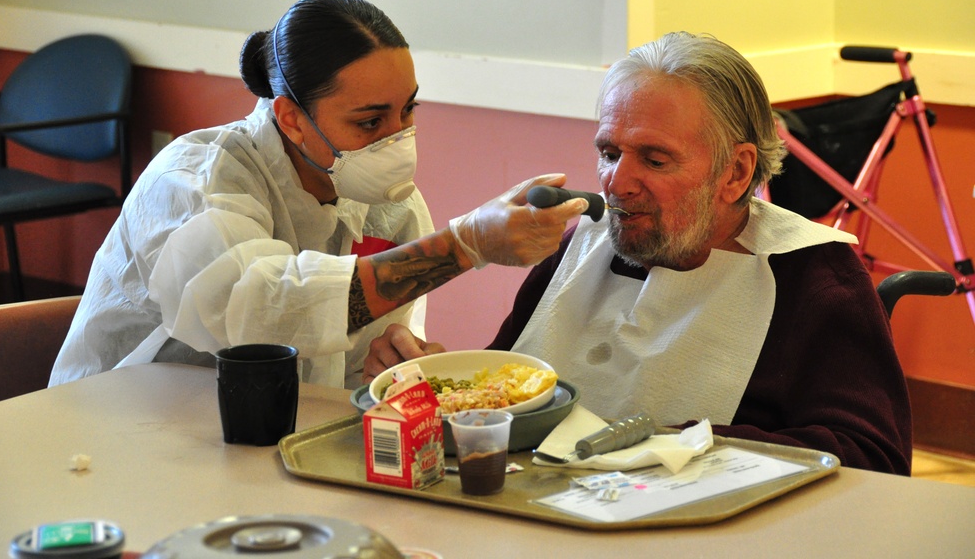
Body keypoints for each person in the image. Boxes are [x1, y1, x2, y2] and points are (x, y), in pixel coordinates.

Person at [366, 32, 913, 475]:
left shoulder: (812, 278)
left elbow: (874, 462)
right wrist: (440, 388)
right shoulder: (577, 245)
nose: (616, 182)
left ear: (737, 172)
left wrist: (670, 445)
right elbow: (511, 388)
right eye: (609, 152)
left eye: (654, 159)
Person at [49, 0, 585, 389]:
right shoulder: (194, 181)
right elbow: (258, 311)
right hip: (120, 426)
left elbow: (348, 355)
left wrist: (385, 366)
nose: (398, 141)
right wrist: (463, 246)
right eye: (371, 122)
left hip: (270, 442)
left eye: (408, 111)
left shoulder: (388, 211)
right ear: (292, 119)